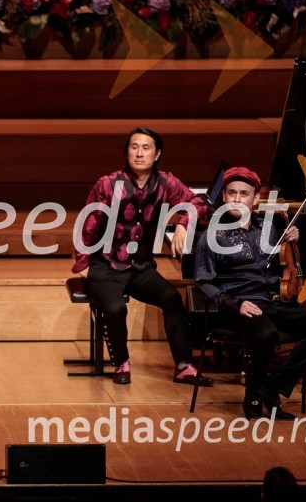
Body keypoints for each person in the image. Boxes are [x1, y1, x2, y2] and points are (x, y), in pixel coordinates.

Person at [72, 126, 211, 386]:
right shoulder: (108, 183)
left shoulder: (166, 183)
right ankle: (121, 362)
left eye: (146, 148)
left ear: (157, 154)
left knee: (171, 299)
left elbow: (199, 202)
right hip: (107, 265)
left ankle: (183, 365)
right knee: (115, 308)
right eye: (134, 147)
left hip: (141, 267)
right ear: (127, 152)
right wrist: (83, 262)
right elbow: (88, 223)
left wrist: (183, 223)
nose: (139, 153)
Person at [194, 166, 306, 419]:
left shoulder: (269, 229)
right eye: (232, 193)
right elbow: (203, 281)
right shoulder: (212, 235)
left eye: (244, 194)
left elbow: (287, 265)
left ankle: (272, 386)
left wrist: (293, 241)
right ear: (224, 196)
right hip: (236, 306)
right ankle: (255, 396)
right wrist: (234, 304)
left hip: (271, 302)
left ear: (255, 199)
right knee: (266, 332)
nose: (237, 198)